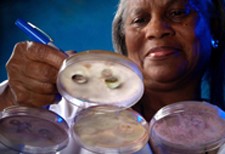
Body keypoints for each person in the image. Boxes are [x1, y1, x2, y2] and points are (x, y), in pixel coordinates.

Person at [0, 0, 224, 153]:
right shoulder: (64, 114)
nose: (156, 29)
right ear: (124, 41)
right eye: (140, 19)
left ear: (213, 28)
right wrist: (12, 100)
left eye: (177, 12)